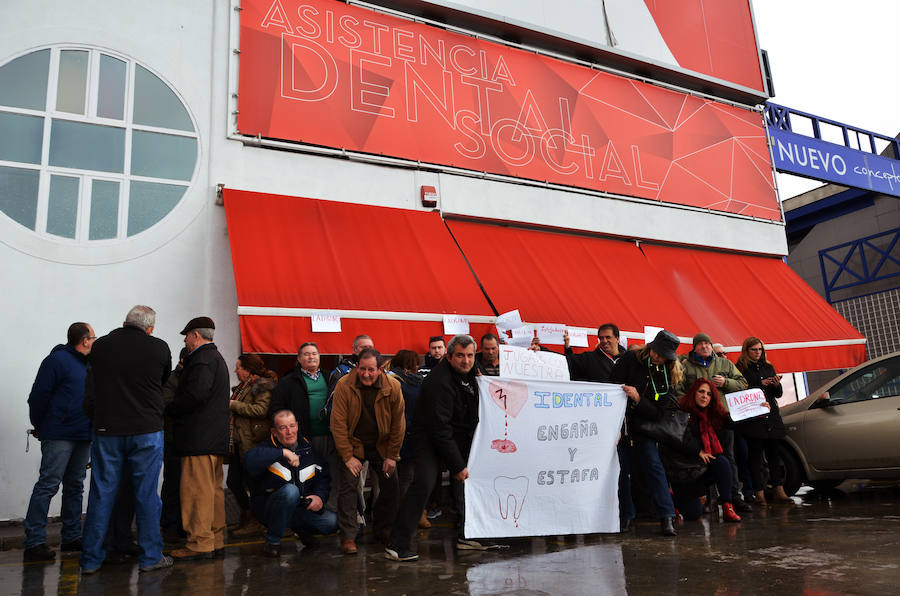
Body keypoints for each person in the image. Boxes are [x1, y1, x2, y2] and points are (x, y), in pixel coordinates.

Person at [386, 334, 503, 562]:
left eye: (470, 355)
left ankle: (469, 535)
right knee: (424, 485)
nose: (466, 361)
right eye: (460, 355)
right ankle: (397, 544)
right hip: (430, 439)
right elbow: (440, 428)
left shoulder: (471, 374)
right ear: (448, 357)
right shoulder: (438, 383)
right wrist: (457, 465)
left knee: (470, 485)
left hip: (456, 437)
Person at [80, 306, 172, 574]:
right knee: (146, 495)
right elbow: (163, 380)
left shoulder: (101, 347)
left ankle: (90, 561)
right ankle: (150, 557)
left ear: (123, 322)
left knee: (102, 494)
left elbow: (92, 387)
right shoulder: (159, 348)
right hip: (146, 430)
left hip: (107, 429)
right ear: (151, 328)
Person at [24, 322, 96, 562]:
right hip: (59, 434)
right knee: (48, 485)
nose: (95, 342)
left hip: (83, 433)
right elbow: (37, 396)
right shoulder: (56, 361)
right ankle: (34, 541)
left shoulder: (90, 364)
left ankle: (72, 537)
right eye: (93, 338)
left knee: (75, 485)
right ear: (84, 340)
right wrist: (41, 426)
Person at [166, 316, 230, 561]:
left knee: (196, 493)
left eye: (187, 335)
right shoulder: (216, 358)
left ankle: (199, 543)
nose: (185, 340)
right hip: (213, 438)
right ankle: (215, 540)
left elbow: (195, 395)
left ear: (195, 335)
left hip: (198, 438)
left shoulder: (201, 360)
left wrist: (171, 407)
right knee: (213, 491)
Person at [609, 329, 683, 537]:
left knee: (654, 467)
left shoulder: (669, 374)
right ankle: (626, 515)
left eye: (663, 355)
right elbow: (611, 384)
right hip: (621, 426)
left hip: (646, 428)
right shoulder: (631, 359)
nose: (658, 357)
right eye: (656, 352)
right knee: (621, 471)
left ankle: (666, 516)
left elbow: (659, 413)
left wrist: (638, 398)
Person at [330, 348, 405, 554]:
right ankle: (348, 536)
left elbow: (399, 424)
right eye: (362, 369)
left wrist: (392, 455)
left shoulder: (394, 386)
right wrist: (347, 456)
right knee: (348, 488)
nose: (366, 374)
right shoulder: (344, 385)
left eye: (371, 370)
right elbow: (338, 423)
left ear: (380, 369)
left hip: (382, 445)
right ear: (357, 367)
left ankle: (383, 528)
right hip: (355, 445)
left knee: (391, 487)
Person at [244, 410, 337, 557]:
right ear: (274, 432)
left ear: (297, 426)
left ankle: (301, 530)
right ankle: (273, 541)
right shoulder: (266, 448)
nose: (289, 432)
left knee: (332, 522)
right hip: (269, 510)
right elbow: (249, 460)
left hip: (298, 508)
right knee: (290, 491)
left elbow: (323, 476)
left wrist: (319, 496)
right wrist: (283, 453)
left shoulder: (308, 448)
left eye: (292, 426)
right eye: (283, 428)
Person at [676, 332, 751, 512]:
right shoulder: (685, 366)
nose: (704, 347)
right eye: (700, 344)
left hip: (721, 418)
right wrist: (690, 403)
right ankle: (710, 499)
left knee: (728, 457)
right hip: (698, 421)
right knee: (705, 458)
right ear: (694, 347)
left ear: (711, 346)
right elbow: (677, 389)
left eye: (707, 344)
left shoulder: (724, 363)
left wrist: (726, 382)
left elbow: (743, 383)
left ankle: (733, 497)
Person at [269, 342, 340, 511]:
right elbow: (276, 409)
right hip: (303, 438)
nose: (311, 357)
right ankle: (305, 512)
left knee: (332, 473)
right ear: (299, 359)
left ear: (320, 357)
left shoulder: (331, 377)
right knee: (306, 475)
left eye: (314, 353)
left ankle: (330, 509)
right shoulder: (288, 381)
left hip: (330, 436)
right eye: (307, 354)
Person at [664, 379, 741, 523]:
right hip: (682, 471)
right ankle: (670, 498)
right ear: (694, 392)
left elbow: (734, 423)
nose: (705, 396)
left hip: (700, 469)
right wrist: (697, 451)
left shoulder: (713, 413)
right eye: (701, 392)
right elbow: (677, 437)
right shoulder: (680, 409)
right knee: (693, 515)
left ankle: (727, 506)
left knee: (722, 462)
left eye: (709, 394)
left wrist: (757, 411)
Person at [735, 337, 791, 505]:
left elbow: (778, 394)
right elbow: (741, 391)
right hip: (754, 418)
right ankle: (758, 492)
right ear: (747, 351)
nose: (757, 352)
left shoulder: (768, 366)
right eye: (754, 349)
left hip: (770, 415)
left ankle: (778, 489)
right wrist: (760, 384)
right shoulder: (741, 368)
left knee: (774, 455)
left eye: (759, 349)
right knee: (755, 457)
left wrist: (775, 384)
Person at [228, 354, 277, 537]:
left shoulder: (261, 386)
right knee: (233, 482)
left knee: (252, 484)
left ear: (248, 370)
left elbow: (261, 410)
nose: (236, 370)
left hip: (252, 443)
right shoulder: (243, 387)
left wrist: (234, 405)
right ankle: (247, 516)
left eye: (238, 367)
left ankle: (255, 521)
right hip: (238, 443)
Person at [386, 350, 429, 528]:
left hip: (401, 435)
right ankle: (411, 514)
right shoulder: (411, 384)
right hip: (409, 435)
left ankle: (403, 515)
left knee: (400, 479)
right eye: (415, 364)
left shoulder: (391, 380)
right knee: (408, 478)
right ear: (408, 366)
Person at [160, 348, 188, 542]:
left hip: (188, 439)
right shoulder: (172, 379)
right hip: (174, 439)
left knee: (186, 485)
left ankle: (182, 525)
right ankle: (170, 525)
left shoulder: (191, 377)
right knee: (173, 483)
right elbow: (167, 404)